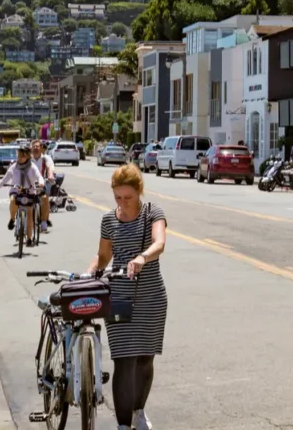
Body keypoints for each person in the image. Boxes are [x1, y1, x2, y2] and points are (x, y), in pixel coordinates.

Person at [88, 164, 167, 430]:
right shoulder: (108, 220)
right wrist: (90, 272)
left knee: (145, 358)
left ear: (139, 191)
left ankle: (138, 412)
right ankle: (123, 425)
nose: (122, 203)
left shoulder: (153, 212)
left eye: (128, 197)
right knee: (124, 360)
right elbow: (103, 256)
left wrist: (142, 257)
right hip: (119, 299)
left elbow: (159, 243)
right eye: (118, 197)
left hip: (151, 296)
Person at [0, 145, 45, 243]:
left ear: (28, 156)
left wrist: (41, 183)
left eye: (22, 156)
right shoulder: (13, 167)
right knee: (13, 199)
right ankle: (12, 219)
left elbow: (39, 177)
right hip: (16, 190)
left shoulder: (32, 167)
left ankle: (29, 238)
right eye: (18, 155)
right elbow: (3, 181)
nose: (20, 158)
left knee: (30, 213)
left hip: (29, 191)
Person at [31, 140, 54, 231]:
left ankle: (44, 221)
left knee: (44, 198)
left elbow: (49, 168)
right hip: (29, 183)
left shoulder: (46, 158)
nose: (35, 148)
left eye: (37, 146)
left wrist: (50, 175)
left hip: (41, 183)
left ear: (41, 148)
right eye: (34, 147)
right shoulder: (28, 158)